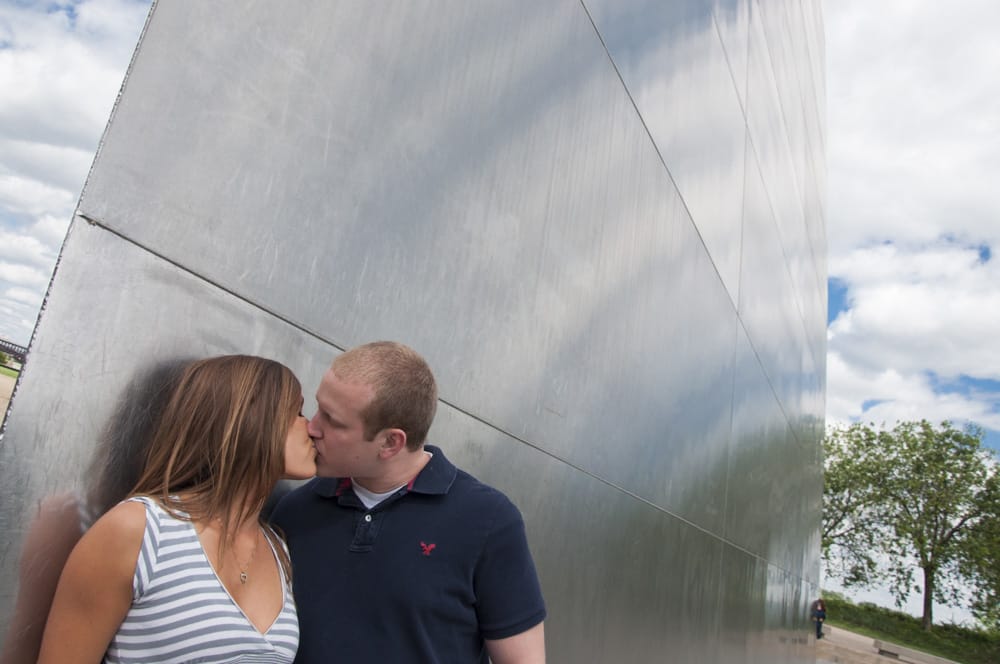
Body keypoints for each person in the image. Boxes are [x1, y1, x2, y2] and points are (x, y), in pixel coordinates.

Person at [271, 341, 546, 663]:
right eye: (318, 407)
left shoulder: (488, 522)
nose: (312, 427)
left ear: (390, 442)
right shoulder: (293, 512)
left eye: (333, 420)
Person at [36, 355, 317, 663]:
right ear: (246, 419)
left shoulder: (279, 551)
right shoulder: (140, 530)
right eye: (296, 411)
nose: (312, 427)